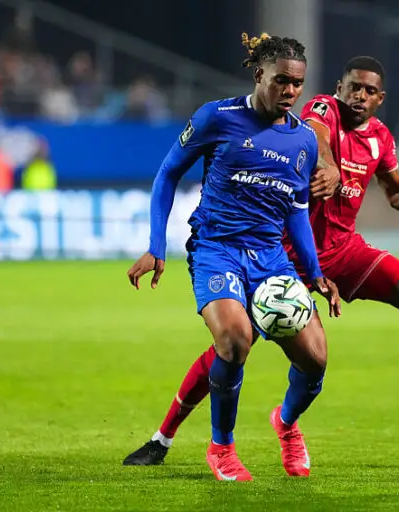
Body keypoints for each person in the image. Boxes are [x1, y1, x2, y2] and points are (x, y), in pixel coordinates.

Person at [124, 55, 399, 468]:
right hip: (287, 253)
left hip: (343, 249)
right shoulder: (320, 112)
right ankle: (166, 437)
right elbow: (315, 132)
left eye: (370, 91)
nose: (360, 96)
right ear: (338, 88)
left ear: (381, 98)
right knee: (231, 345)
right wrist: (328, 164)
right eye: (354, 87)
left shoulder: (380, 139)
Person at [125, 32, 341, 482]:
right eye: (281, 80)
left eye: (297, 84)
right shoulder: (217, 117)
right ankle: (221, 447)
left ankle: (286, 423)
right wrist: (155, 245)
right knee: (235, 339)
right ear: (259, 74)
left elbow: (297, 212)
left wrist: (315, 273)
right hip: (216, 249)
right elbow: (167, 174)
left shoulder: (303, 141)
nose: (290, 91)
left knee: (316, 359)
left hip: (271, 258)